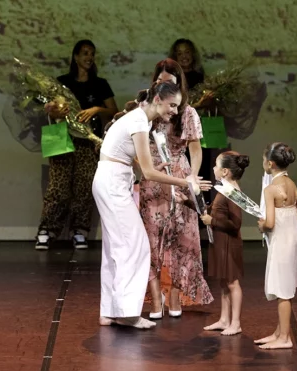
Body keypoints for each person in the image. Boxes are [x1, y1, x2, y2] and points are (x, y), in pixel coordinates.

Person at [91, 81, 210, 329]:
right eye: (172, 105)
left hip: (112, 178)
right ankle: (126, 313)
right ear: (158, 100)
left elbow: (131, 160)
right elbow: (148, 172)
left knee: (116, 247)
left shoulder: (139, 119)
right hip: (112, 183)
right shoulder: (138, 122)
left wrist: (151, 169)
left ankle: (110, 311)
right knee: (135, 246)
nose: (175, 111)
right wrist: (185, 182)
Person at [132, 59, 212, 319]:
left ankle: (176, 295)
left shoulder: (186, 112)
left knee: (181, 237)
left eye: (170, 82)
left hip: (178, 173)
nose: (165, 86)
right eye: (161, 81)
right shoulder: (145, 109)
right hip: (153, 174)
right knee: (152, 237)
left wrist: (191, 177)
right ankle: (156, 299)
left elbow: (195, 149)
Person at [36, 40, 118, 250]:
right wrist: (54, 111)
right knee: (59, 187)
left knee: (84, 186)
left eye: (91, 53)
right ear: (75, 57)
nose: (89, 57)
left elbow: (114, 111)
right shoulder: (61, 83)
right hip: (62, 139)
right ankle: (47, 230)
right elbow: (48, 109)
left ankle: (79, 230)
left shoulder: (100, 84)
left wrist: (96, 110)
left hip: (88, 141)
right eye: (84, 53)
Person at [255, 143, 297, 349]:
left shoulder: (271, 189)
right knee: (284, 285)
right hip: (292, 238)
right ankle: (279, 332)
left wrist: (261, 225)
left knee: (283, 290)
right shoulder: (292, 185)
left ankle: (285, 338)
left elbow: (269, 223)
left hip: (281, 241)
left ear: (270, 163)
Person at [200, 151, 249, 336]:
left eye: (216, 166)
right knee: (224, 282)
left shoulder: (232, 192)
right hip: (220, 241)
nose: (213, 168)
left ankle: (235, 323)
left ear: (225, 171)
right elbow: (211, 211)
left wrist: (212, 222)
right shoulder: (224, 189)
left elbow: (236, 224)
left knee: (232, 283)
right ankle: (224, 319)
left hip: (229, 242)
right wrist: (188, 201)